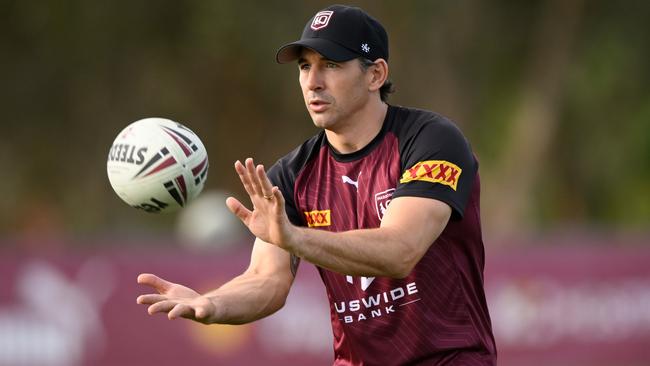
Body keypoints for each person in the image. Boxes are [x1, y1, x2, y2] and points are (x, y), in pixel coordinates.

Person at [137, 4, 497, 365]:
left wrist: (294, 237)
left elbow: (400, 250)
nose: (313, 81)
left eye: (331, 64)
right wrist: (213, 303)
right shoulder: (292, 175)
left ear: (375, 75)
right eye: (305, 66)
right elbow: (267, 281)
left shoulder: (431, 141)